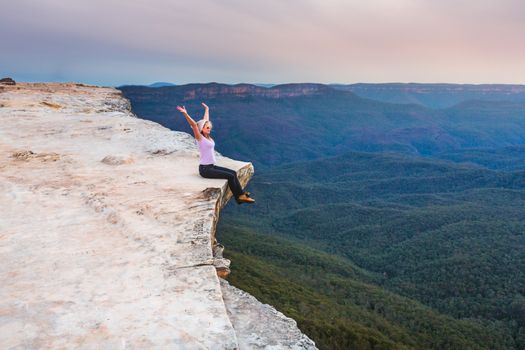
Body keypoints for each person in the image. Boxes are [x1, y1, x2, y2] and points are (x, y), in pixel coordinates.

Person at [177, 103, 255, 204]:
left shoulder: (207, 137)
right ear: (201, 129)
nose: (209, 129)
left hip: (211, 166)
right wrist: (185, 114)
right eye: (207, 128)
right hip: (205, 170)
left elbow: (205, 121)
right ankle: (239, 197)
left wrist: (207, 109)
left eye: (209, 127)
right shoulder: (200, 138)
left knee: (233, 173)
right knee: (230, 176)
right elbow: (194, 125)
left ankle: (241, 194)